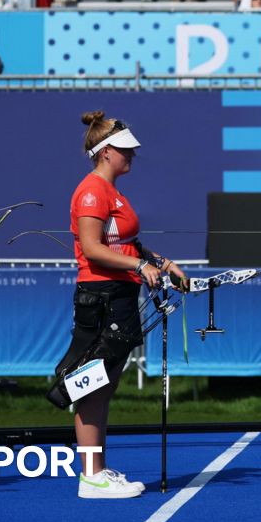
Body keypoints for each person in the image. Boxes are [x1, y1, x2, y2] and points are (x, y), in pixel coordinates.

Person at [56, 111, 187, 499]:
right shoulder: (93, 191)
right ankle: (90, 475)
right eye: (126, 149)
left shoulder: (112, 192)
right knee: (92, 385)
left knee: (105, 385)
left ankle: (96, 470)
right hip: (101, 297)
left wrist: (161, 262)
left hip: (118, 295)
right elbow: (94, 249)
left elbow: (124, 243)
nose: (132, 155)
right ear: (107, 151)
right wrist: (138, 265)